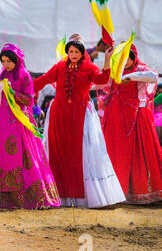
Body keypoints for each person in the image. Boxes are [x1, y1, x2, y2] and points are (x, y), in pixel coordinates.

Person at [34, 33, 125, 208]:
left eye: (76, 51)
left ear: (82, 52)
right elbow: (43, 80)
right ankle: (57, 195)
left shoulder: (89, 68)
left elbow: (103, 80)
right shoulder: (60, 66)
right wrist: (23, 88)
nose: (73, 54)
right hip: (59, 113)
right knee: (57, 150)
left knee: (80, 152)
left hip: (79, 115)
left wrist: (107, 60)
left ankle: (79, 196)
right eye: (70, 51)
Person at [0, 43, 60, 209]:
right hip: (2, 121)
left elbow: (29, 100)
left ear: (16, 60)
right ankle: (6, 198)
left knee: (22, 156)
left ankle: (29, 197)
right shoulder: (1, 74)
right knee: (3, 155)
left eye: (9, 61)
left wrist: (13, 92)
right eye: (3, 61)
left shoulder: (24, 76)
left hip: (20, 122)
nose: (6, 64)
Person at [102, 44, 162, 204]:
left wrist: (130, 77)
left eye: (128, 57)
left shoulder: (140, 69)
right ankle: (116, 192)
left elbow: (153, 76)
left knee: (138, 153)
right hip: (116, 120)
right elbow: (103, 81)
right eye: (122, 57)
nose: (126, 61)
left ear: (133, 57)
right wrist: (108, 59)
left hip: (136, 119)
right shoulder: (116, 70)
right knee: (116, 153)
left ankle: (139, 193)